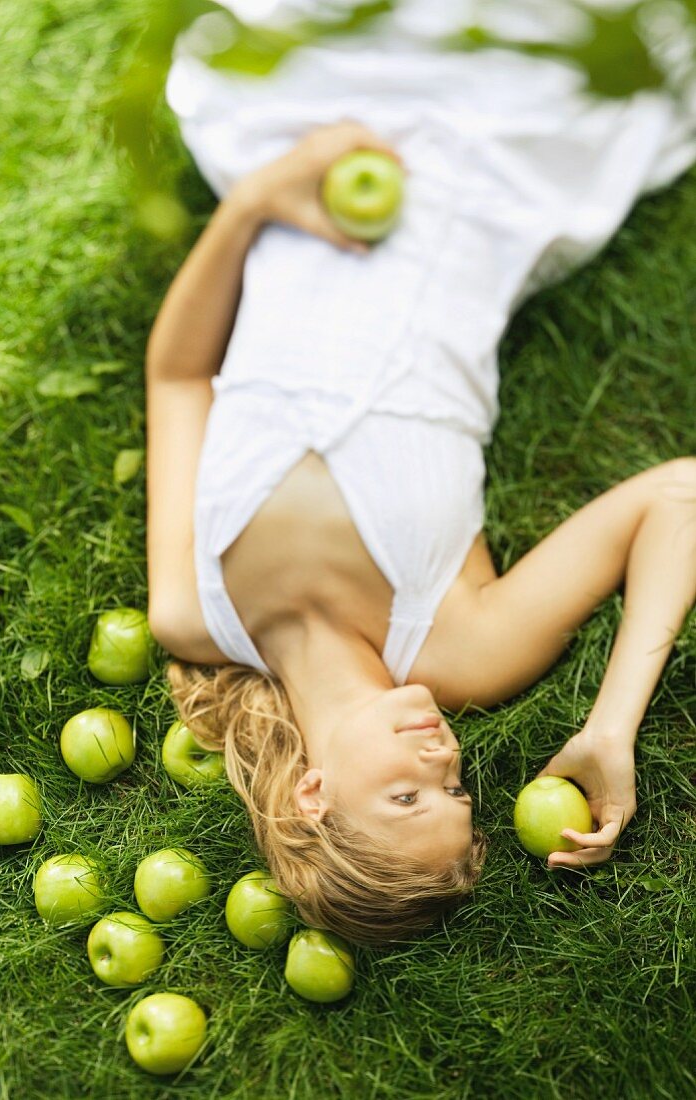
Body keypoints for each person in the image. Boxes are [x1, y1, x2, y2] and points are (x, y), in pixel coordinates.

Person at [145, 1, 696, 945]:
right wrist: (611, 729)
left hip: (313, 152)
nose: (443, 757)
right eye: (455, 790)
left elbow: (179, 375)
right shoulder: (466, 651)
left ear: (313, 792)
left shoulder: (195, 613)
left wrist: (253, 202)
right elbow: (679, 493)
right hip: (488, 174)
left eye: (408, 795)